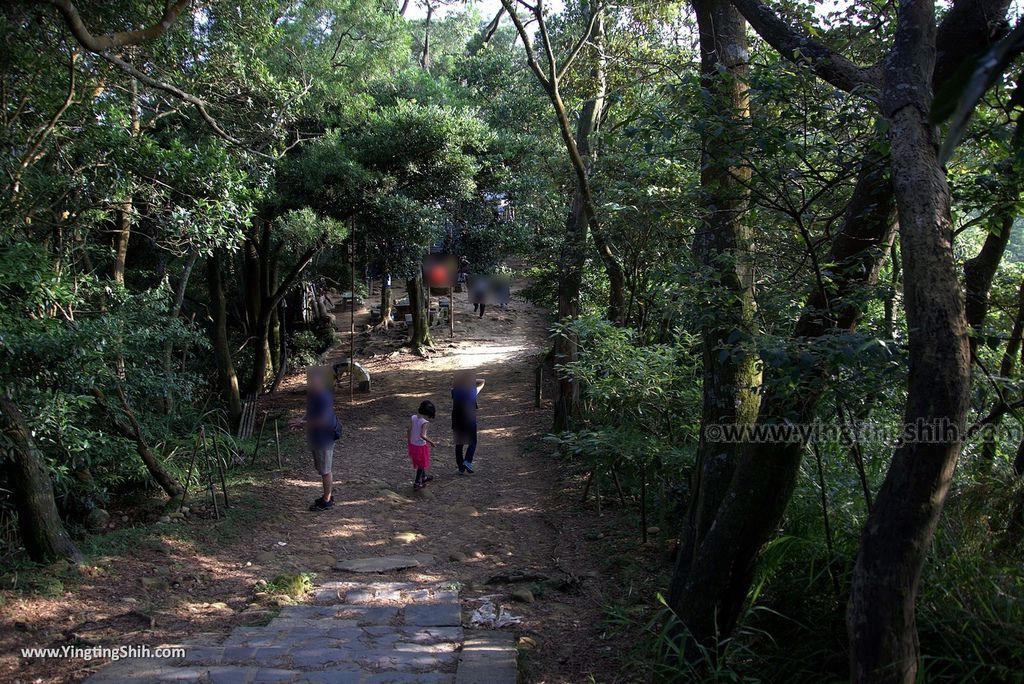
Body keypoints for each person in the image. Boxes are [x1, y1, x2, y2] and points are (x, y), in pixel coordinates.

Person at [304, 366, 341, 511]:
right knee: (322, 469)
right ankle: (327, 495)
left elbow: (323, 421)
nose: (310, 382)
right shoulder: (313, 395)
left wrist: (303, 423)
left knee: (326, 470)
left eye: (312, 379)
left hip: (324, 438)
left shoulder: (324, 396)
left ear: (320, 380)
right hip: (316, 437)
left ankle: (327, 500)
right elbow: (311, 413)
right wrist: (301, 421)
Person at [451, 371, 485, 474]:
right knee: (473, 442)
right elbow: (482, 381)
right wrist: (471, 381)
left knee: (459, 444)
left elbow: (453, 385)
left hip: (457, 419)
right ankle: (468, 460)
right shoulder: (472, 391)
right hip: (469, 419)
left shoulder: (455, 392)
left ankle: (461, 468)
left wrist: (460, 380)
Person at [407, 400, 437, 489]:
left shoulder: (413, 417)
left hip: (413, 444)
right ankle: (417, 483)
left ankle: (424, 477)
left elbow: (408, 430)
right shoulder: (424, 422)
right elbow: (422, 435)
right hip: (420, 446)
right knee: (421, 464)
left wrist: (409, 441)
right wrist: (431, 442)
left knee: (420, 461)